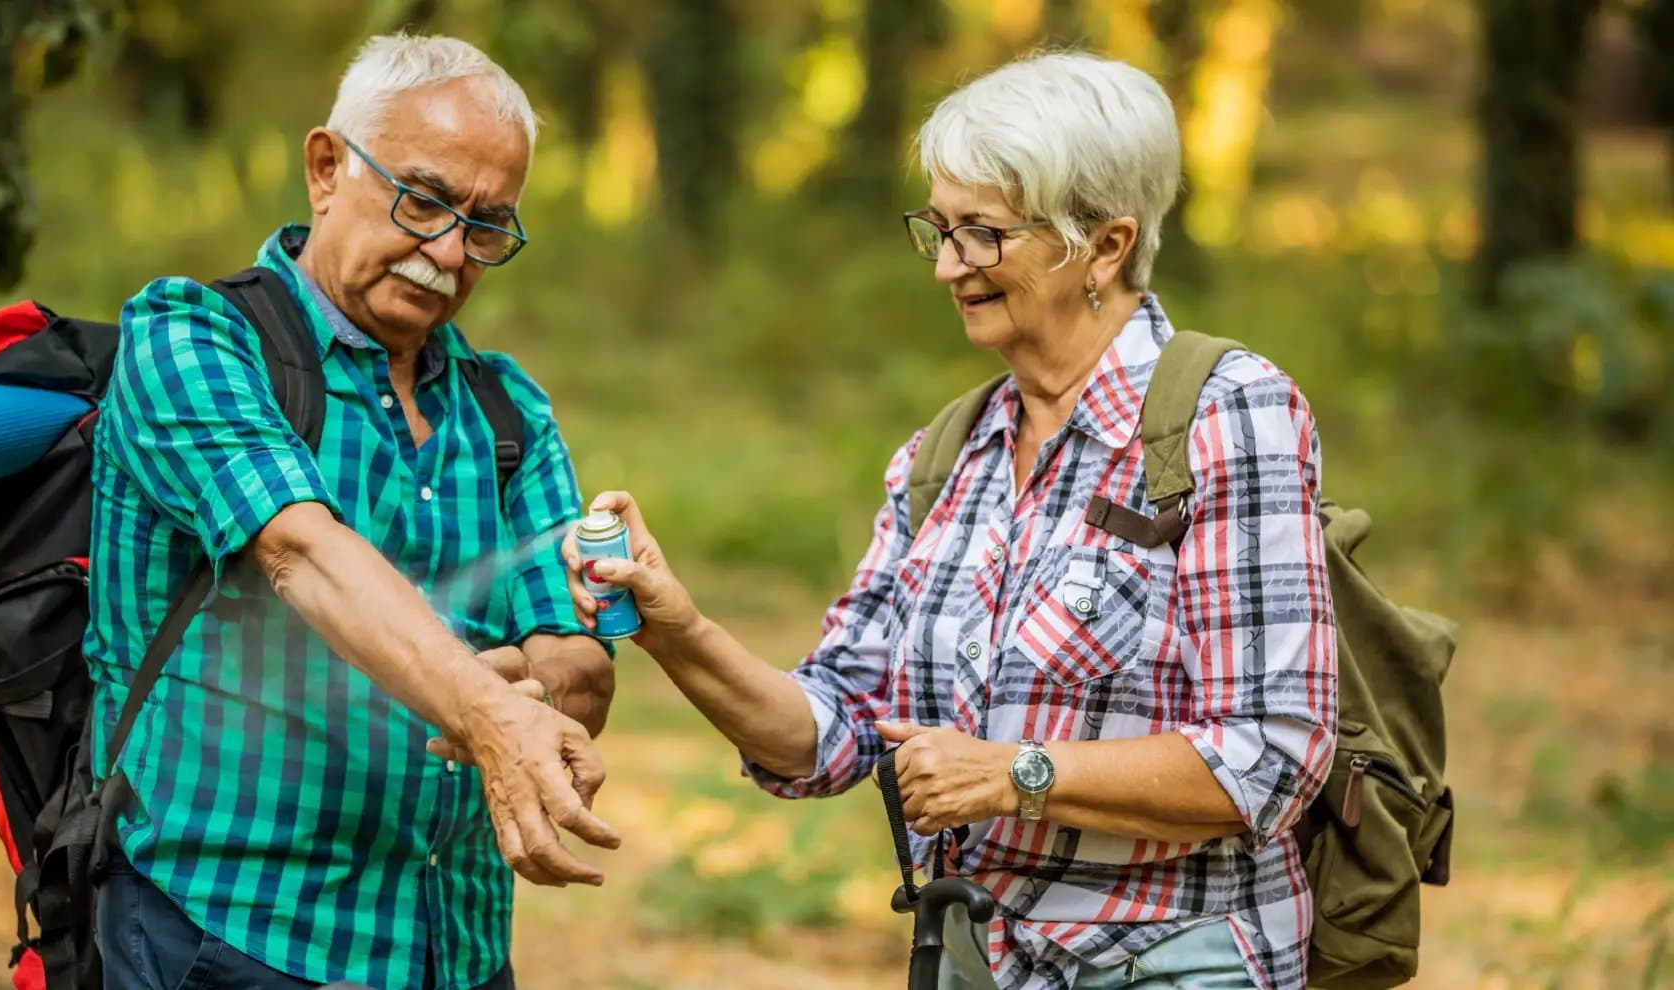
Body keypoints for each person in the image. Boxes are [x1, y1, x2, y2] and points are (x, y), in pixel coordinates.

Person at [565, 52, 1337, 990]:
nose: (946, 266)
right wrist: (674, 629)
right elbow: (833, 733)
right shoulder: (947, 456)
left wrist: (1020, 774)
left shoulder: (1230, 415)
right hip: (982, 965)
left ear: (1103, 243)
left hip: (1178, 960)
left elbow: (1275, 753)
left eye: (984, 234)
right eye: (938, 228)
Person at [86, 33, 618, 989]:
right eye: (422, 201)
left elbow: (575, 658)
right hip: (230, 935)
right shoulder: (193, 337)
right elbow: (302, 551)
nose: (450, 252)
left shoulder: (508, 412)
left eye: (489, 226)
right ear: (326, 168)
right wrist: (490, 708)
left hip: (453, 949)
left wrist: (537, 694)